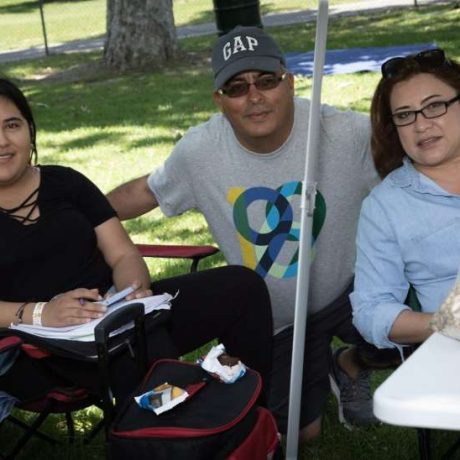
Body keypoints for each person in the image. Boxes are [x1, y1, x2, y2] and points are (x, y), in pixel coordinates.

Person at [107, 26, 380, 439]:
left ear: (288, 82)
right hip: (277, 322)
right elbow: (143, 192)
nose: (254, 97)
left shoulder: (344, 132)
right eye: (236, 87)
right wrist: (77, 216)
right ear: (219, 101)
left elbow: (415, 161)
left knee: (432, 326)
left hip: (352, 293)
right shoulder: (200, 151)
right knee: (296, 435)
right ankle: (314, 366)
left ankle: (352, 362)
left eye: (266, 81)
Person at [0, 77, 273, 423]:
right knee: (141, 356)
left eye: (12, 125)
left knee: (241, 287)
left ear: (30, 130)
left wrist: (132, 292)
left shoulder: (66, 183)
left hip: (117, 314)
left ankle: (252, 419)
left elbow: (123, 255)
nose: (3, 141)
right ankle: (180, 430)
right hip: (35, 347)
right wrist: (42, 314)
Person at [351, 48, 460, 351]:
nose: (421, 125)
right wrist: (448, 322)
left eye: (435, 106)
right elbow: (371, 310)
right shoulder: (386, 207)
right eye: (404, 115)